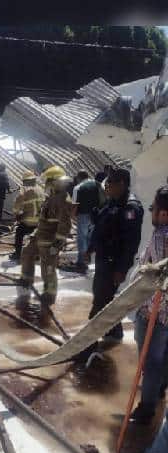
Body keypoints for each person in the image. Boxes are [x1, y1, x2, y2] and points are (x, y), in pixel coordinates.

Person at [124, 187, 168, 425]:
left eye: (154, 208)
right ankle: (160, 388)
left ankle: (147, 407)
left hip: (157, 311)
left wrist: (149, 309)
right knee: (164, 357)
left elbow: (160, 279)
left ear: (163, 213)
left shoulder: (162, 235)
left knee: (150, 360)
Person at [86, 168, 143, 342]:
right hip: (104, 259)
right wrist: (90, 249)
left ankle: (88, 341)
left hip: (114, 262)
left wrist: (121, 269)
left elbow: (130, 243)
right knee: (102, 297)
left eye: (110, 182)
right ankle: (113, 331)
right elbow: (101, 227)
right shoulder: (113, 202)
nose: (107, 185)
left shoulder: (130, 208)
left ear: (122, 184)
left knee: (101, 300)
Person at [18, 166, 73, 309]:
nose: (46, 184)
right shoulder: (52, 198)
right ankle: (26, 279)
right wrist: (34, 235)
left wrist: (57, 244)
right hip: (40, 237)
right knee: (27, 252)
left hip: (50, 242)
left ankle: (50, 295)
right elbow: (43, 220)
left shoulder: (62, 200)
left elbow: (65, 225)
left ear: (55, 182)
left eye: (48, 181)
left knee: (47, 268)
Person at [63, 170, 104, 273]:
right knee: (92, 237)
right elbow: (104, 198)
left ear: (78, 178)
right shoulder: (97, 184)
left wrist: (72, 217)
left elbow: (75, 205)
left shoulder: (78, 187)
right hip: (97, 214)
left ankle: (81, 263)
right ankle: (90, 258)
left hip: (83, 215)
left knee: (82, 239)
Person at [9, 170, 44, 261]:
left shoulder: (24, 190)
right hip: (39, 221)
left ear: (25, 181)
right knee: (36, 237)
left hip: (28, 221)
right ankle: (37, 255)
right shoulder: (40, 189)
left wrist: (16, 214)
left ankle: (17, 254)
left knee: (19, 233)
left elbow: (18, 204)